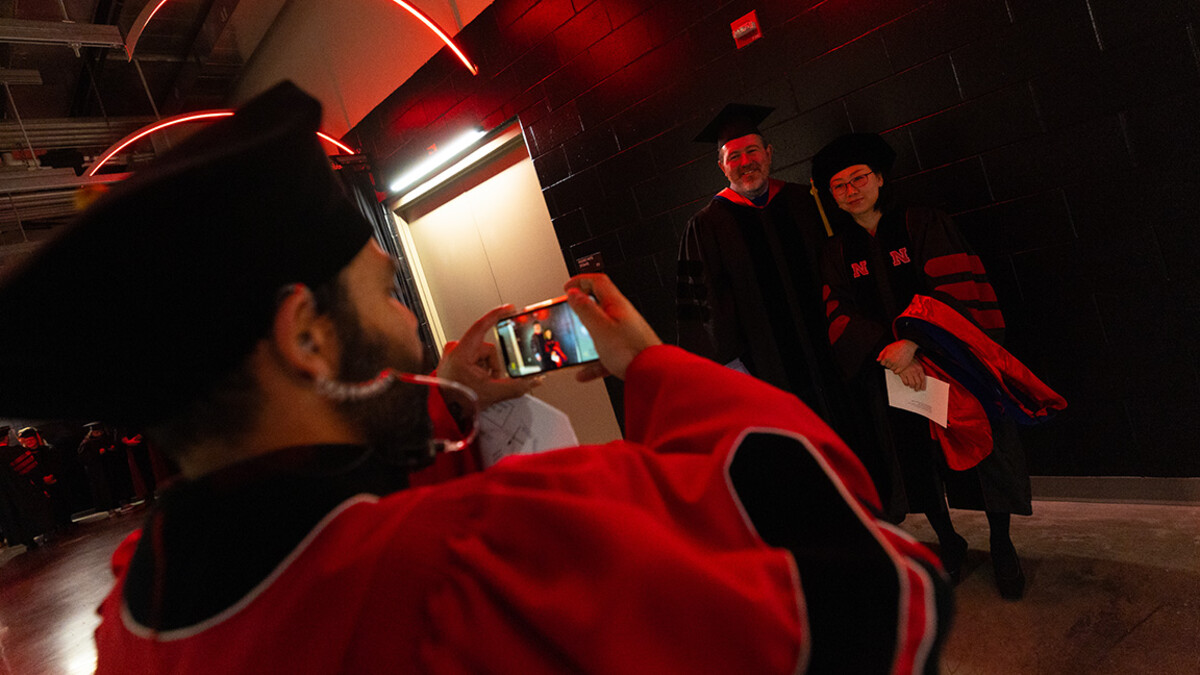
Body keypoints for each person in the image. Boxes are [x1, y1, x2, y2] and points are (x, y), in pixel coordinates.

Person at [0, 82, 951, 673]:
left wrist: (451, 397)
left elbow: (309, 490)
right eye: (384, 291)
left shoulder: (133, 612)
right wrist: (650, 365)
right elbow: (877, 581)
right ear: (307, 340)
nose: (412, 317)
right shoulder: (493, 550)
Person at [813, 132, 1065, 600]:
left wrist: (912, 343)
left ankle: (1001, 543)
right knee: (915, 462)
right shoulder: (835, 252)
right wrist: (888, 353)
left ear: (880, 179)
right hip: (889, 372)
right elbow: (837, 313)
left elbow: (954, 285)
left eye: (859, 178)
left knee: (983, 450)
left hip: (949, 362)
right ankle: (948, 541)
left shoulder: (923, 223)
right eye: (839, 185)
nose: (851, 190)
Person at [676, 103, 849, 430]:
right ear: (722, 166)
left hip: (831, 359)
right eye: (734, 157)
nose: (745, 162)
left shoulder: (804, 202)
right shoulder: (705, 227)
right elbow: (700, 315)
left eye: (752, 151)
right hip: (762, 375)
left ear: (768, 153)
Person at [16, 426, 73, 530]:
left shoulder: (48, 450)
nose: (30, 442)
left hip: (54, 480)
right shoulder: (25, 455)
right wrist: (42, 480)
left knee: (60, 500)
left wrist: (52, 476)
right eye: (27, 440)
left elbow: (57, 464)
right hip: (39, 485)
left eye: (32, 439)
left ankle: (66, 521)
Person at [78, 421, 120, 514]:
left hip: (107, 467)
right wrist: (97, 453)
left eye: (100, 432)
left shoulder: (105, 439)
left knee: (111, 484)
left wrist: (110, 449)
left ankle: (116, 504)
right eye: (96, 432)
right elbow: (83, 457)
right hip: (96, 470)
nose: (99, 434)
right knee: (101, 488)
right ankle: (106, 507)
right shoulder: (87, 443)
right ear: (91, 432)